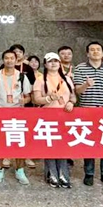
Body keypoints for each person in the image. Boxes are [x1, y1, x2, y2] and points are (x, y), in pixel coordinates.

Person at [72, 42, 103, 188]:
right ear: (87, 53)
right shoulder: (80, 68)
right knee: (88, 142)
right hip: (87, 110)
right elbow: (77, 90)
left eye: (98, 49)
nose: (95, 52)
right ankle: (89, 173)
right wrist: (86, 85)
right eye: (92, 50)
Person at [0, 50, 33, 185]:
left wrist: (25, 100)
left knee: (19, 144)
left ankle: (20, 171)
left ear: (16, 60)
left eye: (12, 58)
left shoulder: (22, 76)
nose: (9, 60)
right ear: (3, 60)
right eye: (6, 58)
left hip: (17, 116)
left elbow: (29, 96)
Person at [33, 52, 75, 188]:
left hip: (64, 117)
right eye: (50, 61)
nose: (53, 63)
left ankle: (63, 175)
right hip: (48, 117)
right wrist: (48, 99)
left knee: (63, 146)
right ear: (45, 64)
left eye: (56, 61)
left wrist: (71, 103)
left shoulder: (67, 79)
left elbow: (73, 96)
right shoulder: (40, 80)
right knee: (50, 145)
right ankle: (51, 174)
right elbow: (36, 99)